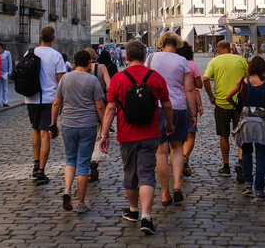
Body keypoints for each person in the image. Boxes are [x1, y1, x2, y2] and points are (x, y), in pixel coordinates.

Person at [99, 40, 174, 236]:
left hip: (126, 133)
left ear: (127, 56)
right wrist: (169, 124)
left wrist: (104, 134)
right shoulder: (155, 77)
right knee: (147, 174)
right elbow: (166, 105)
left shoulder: (118, 78)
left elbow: (110, 109)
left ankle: (133, 211)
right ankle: (146, 217)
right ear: (144, 56)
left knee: (130, 172)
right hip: (150, 134)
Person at [51, 50, 106, 213]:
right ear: (89, 63)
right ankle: (81, 203)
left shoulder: (66, 78)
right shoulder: (93, 80)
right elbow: (100, 106)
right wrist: (104, 126)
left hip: (68, 124)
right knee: (83, 164)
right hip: (88, 125)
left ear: (74, 63)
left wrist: (52, 124)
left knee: (70, 160)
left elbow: (56, 103)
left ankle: (68, 189)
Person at [145, 32, 196, 205]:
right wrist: (193, 113)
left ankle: (165, 193)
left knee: (161, 151)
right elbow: (189, 89)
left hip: (157, 106)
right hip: (178, 107)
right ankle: (177, 184)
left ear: (161, 43)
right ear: (177, 44)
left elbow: (144, 81)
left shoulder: (151, 58)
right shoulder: (182, 61)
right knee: (177, 147)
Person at [227, 56, 265, 200]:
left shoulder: (243, 81)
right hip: (261, 122)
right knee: (261, 155)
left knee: (247, 153)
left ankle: (248, 184)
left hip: (245, 121)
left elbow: (228, 96)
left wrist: (238, 107)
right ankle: (260, 190)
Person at [26, 25, 67, 185]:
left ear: (40, 37)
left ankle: (36, 165)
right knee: (45, 134)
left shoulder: (29, 52)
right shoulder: (56, 56)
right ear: (53, 38)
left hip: (31, 99)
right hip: (50, 99)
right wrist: (62, 103)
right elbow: (61, 82)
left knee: (35, 131)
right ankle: (42, 171)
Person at [203, 40, 248, 182]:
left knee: (224, 135)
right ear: (230, 49)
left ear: (218, 49)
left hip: (222, 102)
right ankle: (241, 162)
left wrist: (211, 96)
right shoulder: (241, 60)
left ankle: (226, 166)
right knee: (240, 134)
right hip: (239, 103)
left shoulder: (215, 61)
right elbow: (248, 78)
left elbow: (205, 79)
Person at [175, 44, 202, 177]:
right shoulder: (192, 65)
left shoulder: (173, 64)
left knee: (176, 134)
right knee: (190, 134)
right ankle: (184, 157)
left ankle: (176, 158)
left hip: (174, 100)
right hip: (189, 100)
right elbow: (199, 85)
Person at [86, 48, 111, 183]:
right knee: (100, 136)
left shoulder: (82, 69)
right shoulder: (101, 67)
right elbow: (110, 85)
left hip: (85, 109)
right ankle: (95, 160)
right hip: (100, 106)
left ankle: (87, 164)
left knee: (86, 138)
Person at [0, 43, 13, 107]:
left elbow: (10, 62)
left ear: (0, 46)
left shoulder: (7, 53)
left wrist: (10, 71)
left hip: (5, 72)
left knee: (5, 88)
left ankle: (5, 101)